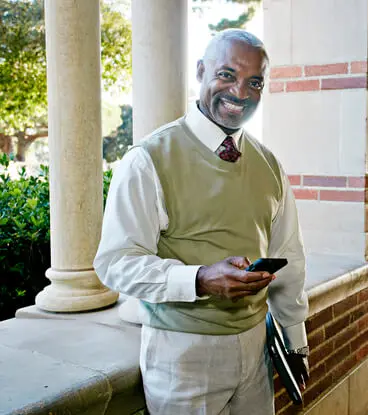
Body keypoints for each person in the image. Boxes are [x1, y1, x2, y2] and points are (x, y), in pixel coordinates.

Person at [94, 29, 309, 415]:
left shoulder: (270, 165)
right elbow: (115, 263)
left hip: (257, 351)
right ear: (200, 72)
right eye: (226, 75)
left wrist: (295, 341)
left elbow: (288, 256)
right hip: (182, 357)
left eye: (254, 82)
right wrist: (199, 278)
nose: (240, 93)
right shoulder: (148, 159)